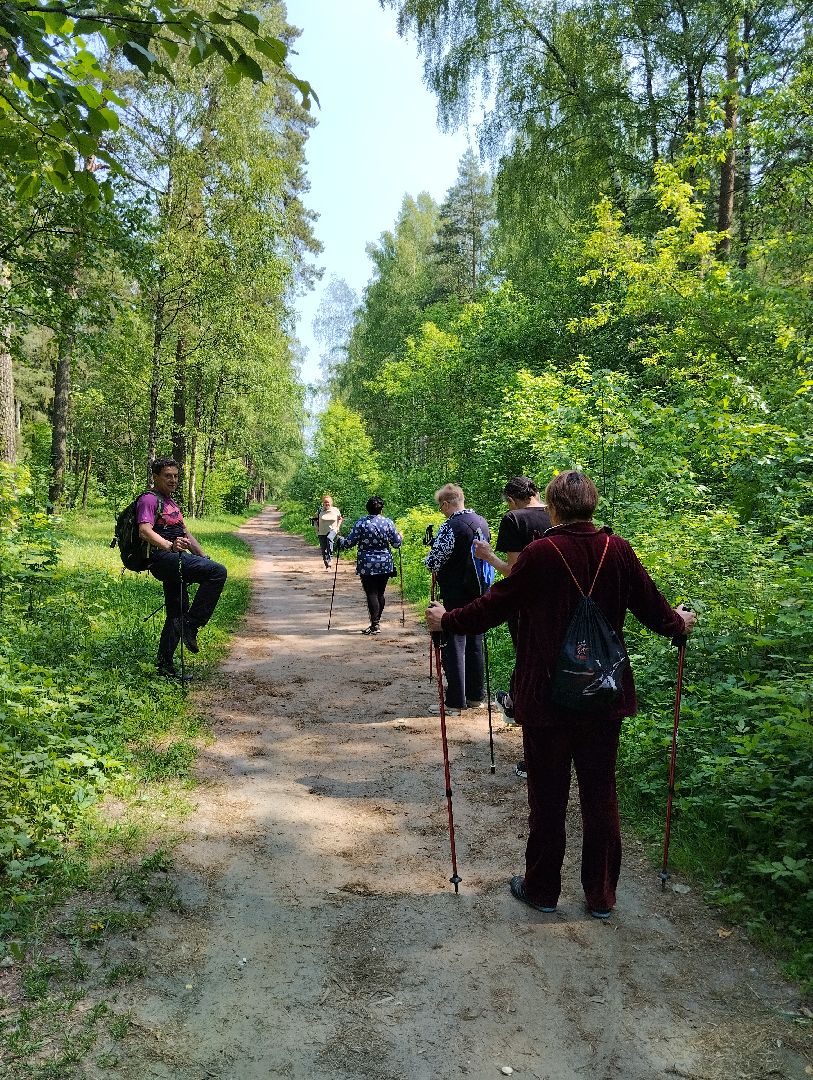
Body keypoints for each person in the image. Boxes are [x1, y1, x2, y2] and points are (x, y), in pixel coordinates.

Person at [426, 470, 696, 918]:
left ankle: (542, 890)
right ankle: (601, 896)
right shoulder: (619, 550)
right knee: (600, 793)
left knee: (548, 797)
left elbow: (494, 607)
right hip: (603, 694)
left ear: (551, 507)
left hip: (546, 698)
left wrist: (446, 621)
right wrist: (679, 623)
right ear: (592, 504)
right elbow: (656, 610)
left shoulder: (540, 554)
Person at [473, 476, 552, 776]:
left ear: (510, 499)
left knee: (531, 670)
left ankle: (533, 754)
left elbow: (516, 573)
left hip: (526, 607)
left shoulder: (514, 519)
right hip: (561, 605)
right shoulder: (556, 513)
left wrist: (487, 555)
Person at [137, 457, 228, 680]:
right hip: (162, 559)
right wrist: (169, 545)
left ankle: (164, 666)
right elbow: (144, 531)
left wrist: (202, 556)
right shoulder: (148, 500)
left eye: (176, 476)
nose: (173, 480)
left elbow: (186, 534)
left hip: (177, 558)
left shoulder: (171, 503)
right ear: (155, 476)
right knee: (218, 572)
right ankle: (192, 624)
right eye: (168, 475)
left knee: (176, 612)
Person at [423, 484, 491, 712]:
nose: (441, 510)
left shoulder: (450, 526)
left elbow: (434, 560)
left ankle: (455, 700)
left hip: (455, 591)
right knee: (475, 641)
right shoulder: (482, 521)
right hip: (480, 590)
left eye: (440, 505)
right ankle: (475, 695)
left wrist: (428, 559)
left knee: (453, 642)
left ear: (446, 503)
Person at [338, 496, 402, 635]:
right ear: (381, 509)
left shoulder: (361, 523)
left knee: (371, 593)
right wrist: (400, 536)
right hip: (384, 563)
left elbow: (349, 543)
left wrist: (340, 540)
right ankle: (376, 623)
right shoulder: (388, 522)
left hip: (366, 563)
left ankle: (375, 624)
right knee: (380, 593)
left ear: (367, 509)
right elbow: (396, 544)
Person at [314, 494, 343, 570]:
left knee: (329, 538)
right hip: (322, 532)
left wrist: (338, 527)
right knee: (324, 549)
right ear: (323, 503)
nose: (327, 504)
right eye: (325, 502)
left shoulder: (335, 510)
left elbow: (340, 519)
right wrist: (317, 528)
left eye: (328, 502)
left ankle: (330, 558)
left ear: (331, 503)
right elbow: (315, 520)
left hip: (332, 530)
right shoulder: (320, 510)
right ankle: (327, 565)